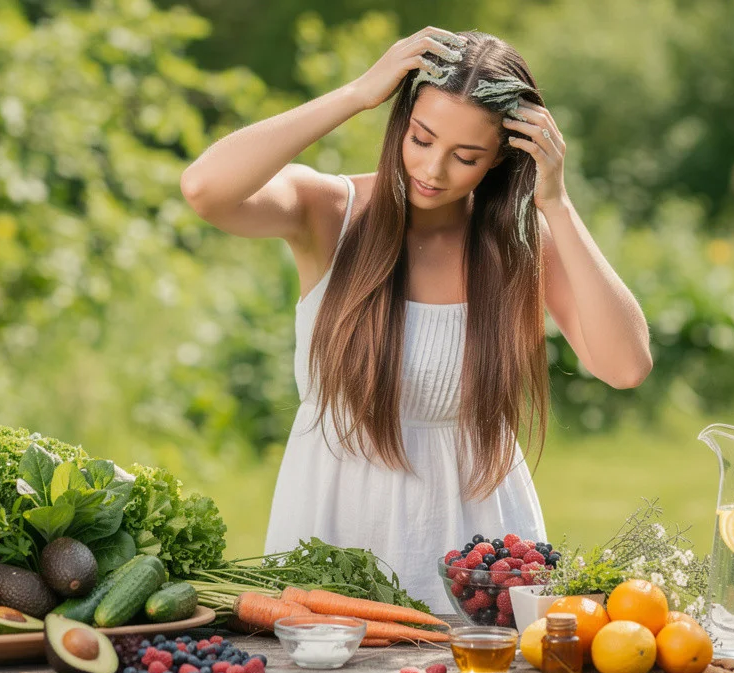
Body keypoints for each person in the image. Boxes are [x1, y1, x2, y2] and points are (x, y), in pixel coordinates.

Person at [179, 28, 651, 612]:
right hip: (332, 537)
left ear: (503, 158)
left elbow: (626, 365)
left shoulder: (520, 244)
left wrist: (555, 201)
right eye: (421, 138)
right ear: (401, 122)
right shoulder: (332, 213)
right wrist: (355, 93)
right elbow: (203, 189)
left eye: (466, 156)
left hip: (476, 554)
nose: (433, 169)